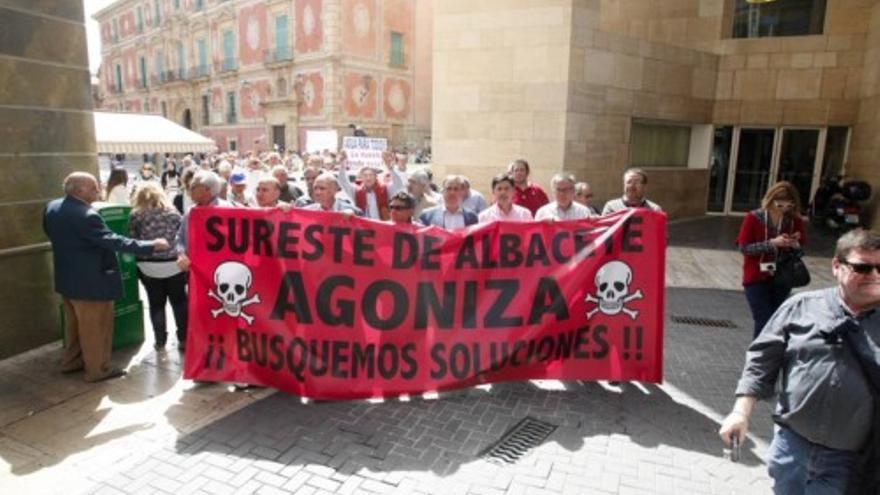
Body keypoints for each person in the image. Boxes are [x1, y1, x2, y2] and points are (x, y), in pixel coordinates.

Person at [719, 228, 880, 495]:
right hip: (791, 447)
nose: (875, 275)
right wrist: (741, 412)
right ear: (837, 266)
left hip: (849, 459)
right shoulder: (801, 306)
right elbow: (762, 359)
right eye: (863, 268)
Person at [43, 172, 170, 382]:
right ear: (80, 190)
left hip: (67, 278)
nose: (99, 190)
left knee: (74, 326)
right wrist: (150, 245)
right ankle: (97, 370)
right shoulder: (87, 214)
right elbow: (111, 240)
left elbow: (51, 233)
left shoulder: (52, 207)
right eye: (94, 187)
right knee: (95, 328)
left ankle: (71, 362)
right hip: (92, 282)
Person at [736, 181, 808, 339]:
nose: (784, 209)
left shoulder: (794, 221)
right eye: (779, 204)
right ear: (771, 200)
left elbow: (801, 249)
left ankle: (767, 356)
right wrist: (772, 244)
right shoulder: (754, 218)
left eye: (789, 205)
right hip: (756, 275)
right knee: (763, 319)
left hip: (782, 276)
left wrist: (794, 244)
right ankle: (759, 357)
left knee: (775, 320)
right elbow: (744, 248)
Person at [129, 182, 187, 351]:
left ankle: (160, 340)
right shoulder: (173, 212)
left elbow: (133, 240)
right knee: (179, 302)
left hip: (149, 266)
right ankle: (183, 338)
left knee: (156, 304)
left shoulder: (136, 215)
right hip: (174, 264)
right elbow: (183, 237)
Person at [176, 171, 232, 272]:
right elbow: (180, 237)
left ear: (207, 189)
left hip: (222, 270)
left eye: (193, 187)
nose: (189, 190)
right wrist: (181, 254)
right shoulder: (190, 211)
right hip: (195, 270)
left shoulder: (229, 210)